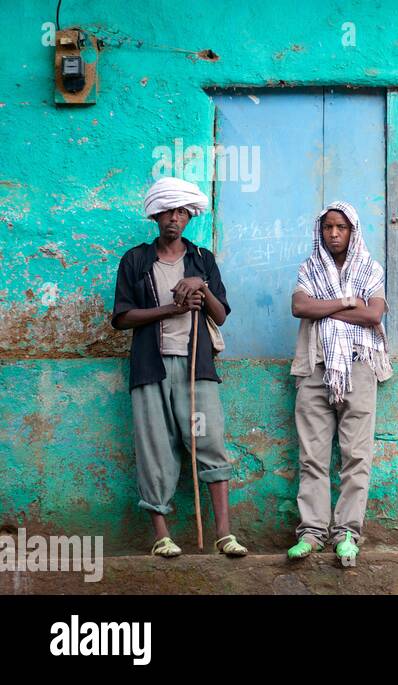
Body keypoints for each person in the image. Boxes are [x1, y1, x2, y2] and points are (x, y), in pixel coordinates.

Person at [110, 176, 246, 557]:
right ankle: (162, 537)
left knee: (209, 441)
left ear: (189, 217)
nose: (174, 218)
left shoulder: (202, 260)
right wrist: (172, 308)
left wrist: (200, 288)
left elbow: (221, 314)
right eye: (168, 211)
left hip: (196, 369)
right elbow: (121, 317)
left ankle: (224, 534)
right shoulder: (136, 260)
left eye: (182, 212)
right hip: (151, 369)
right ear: (156, 215)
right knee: (155, 446)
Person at [286, 201, 391, 566]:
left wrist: (326, 305)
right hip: (316, 367)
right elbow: (300, 307)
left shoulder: (370, 268)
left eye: (341, 228)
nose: (334, 234)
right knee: (312, 456)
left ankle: (347, 533)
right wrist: (348, 302)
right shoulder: (309, 268)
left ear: (352, 231)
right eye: (328, 227)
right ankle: (312, 533)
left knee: (356, 456)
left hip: (358, 368)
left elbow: (374, 314)